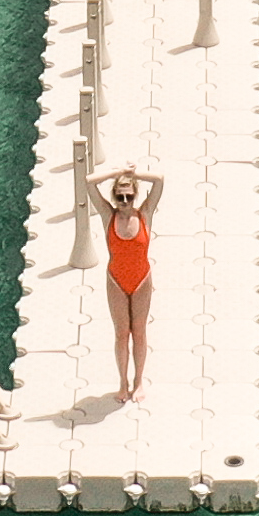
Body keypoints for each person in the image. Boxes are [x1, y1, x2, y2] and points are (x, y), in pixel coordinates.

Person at [99, 168, 162, 404]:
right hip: (116, 280)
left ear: (136, 196)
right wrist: (115, 173)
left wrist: (133, 175)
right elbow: (88, 182)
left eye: (129, 196)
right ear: (114, 197)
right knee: (121, 334)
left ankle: (138, 382)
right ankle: (123, 382)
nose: (124, 202)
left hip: (141, 280)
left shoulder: (145, 214)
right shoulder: (109, 216)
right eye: (120, 197)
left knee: (140, 332)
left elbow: (159, 179)